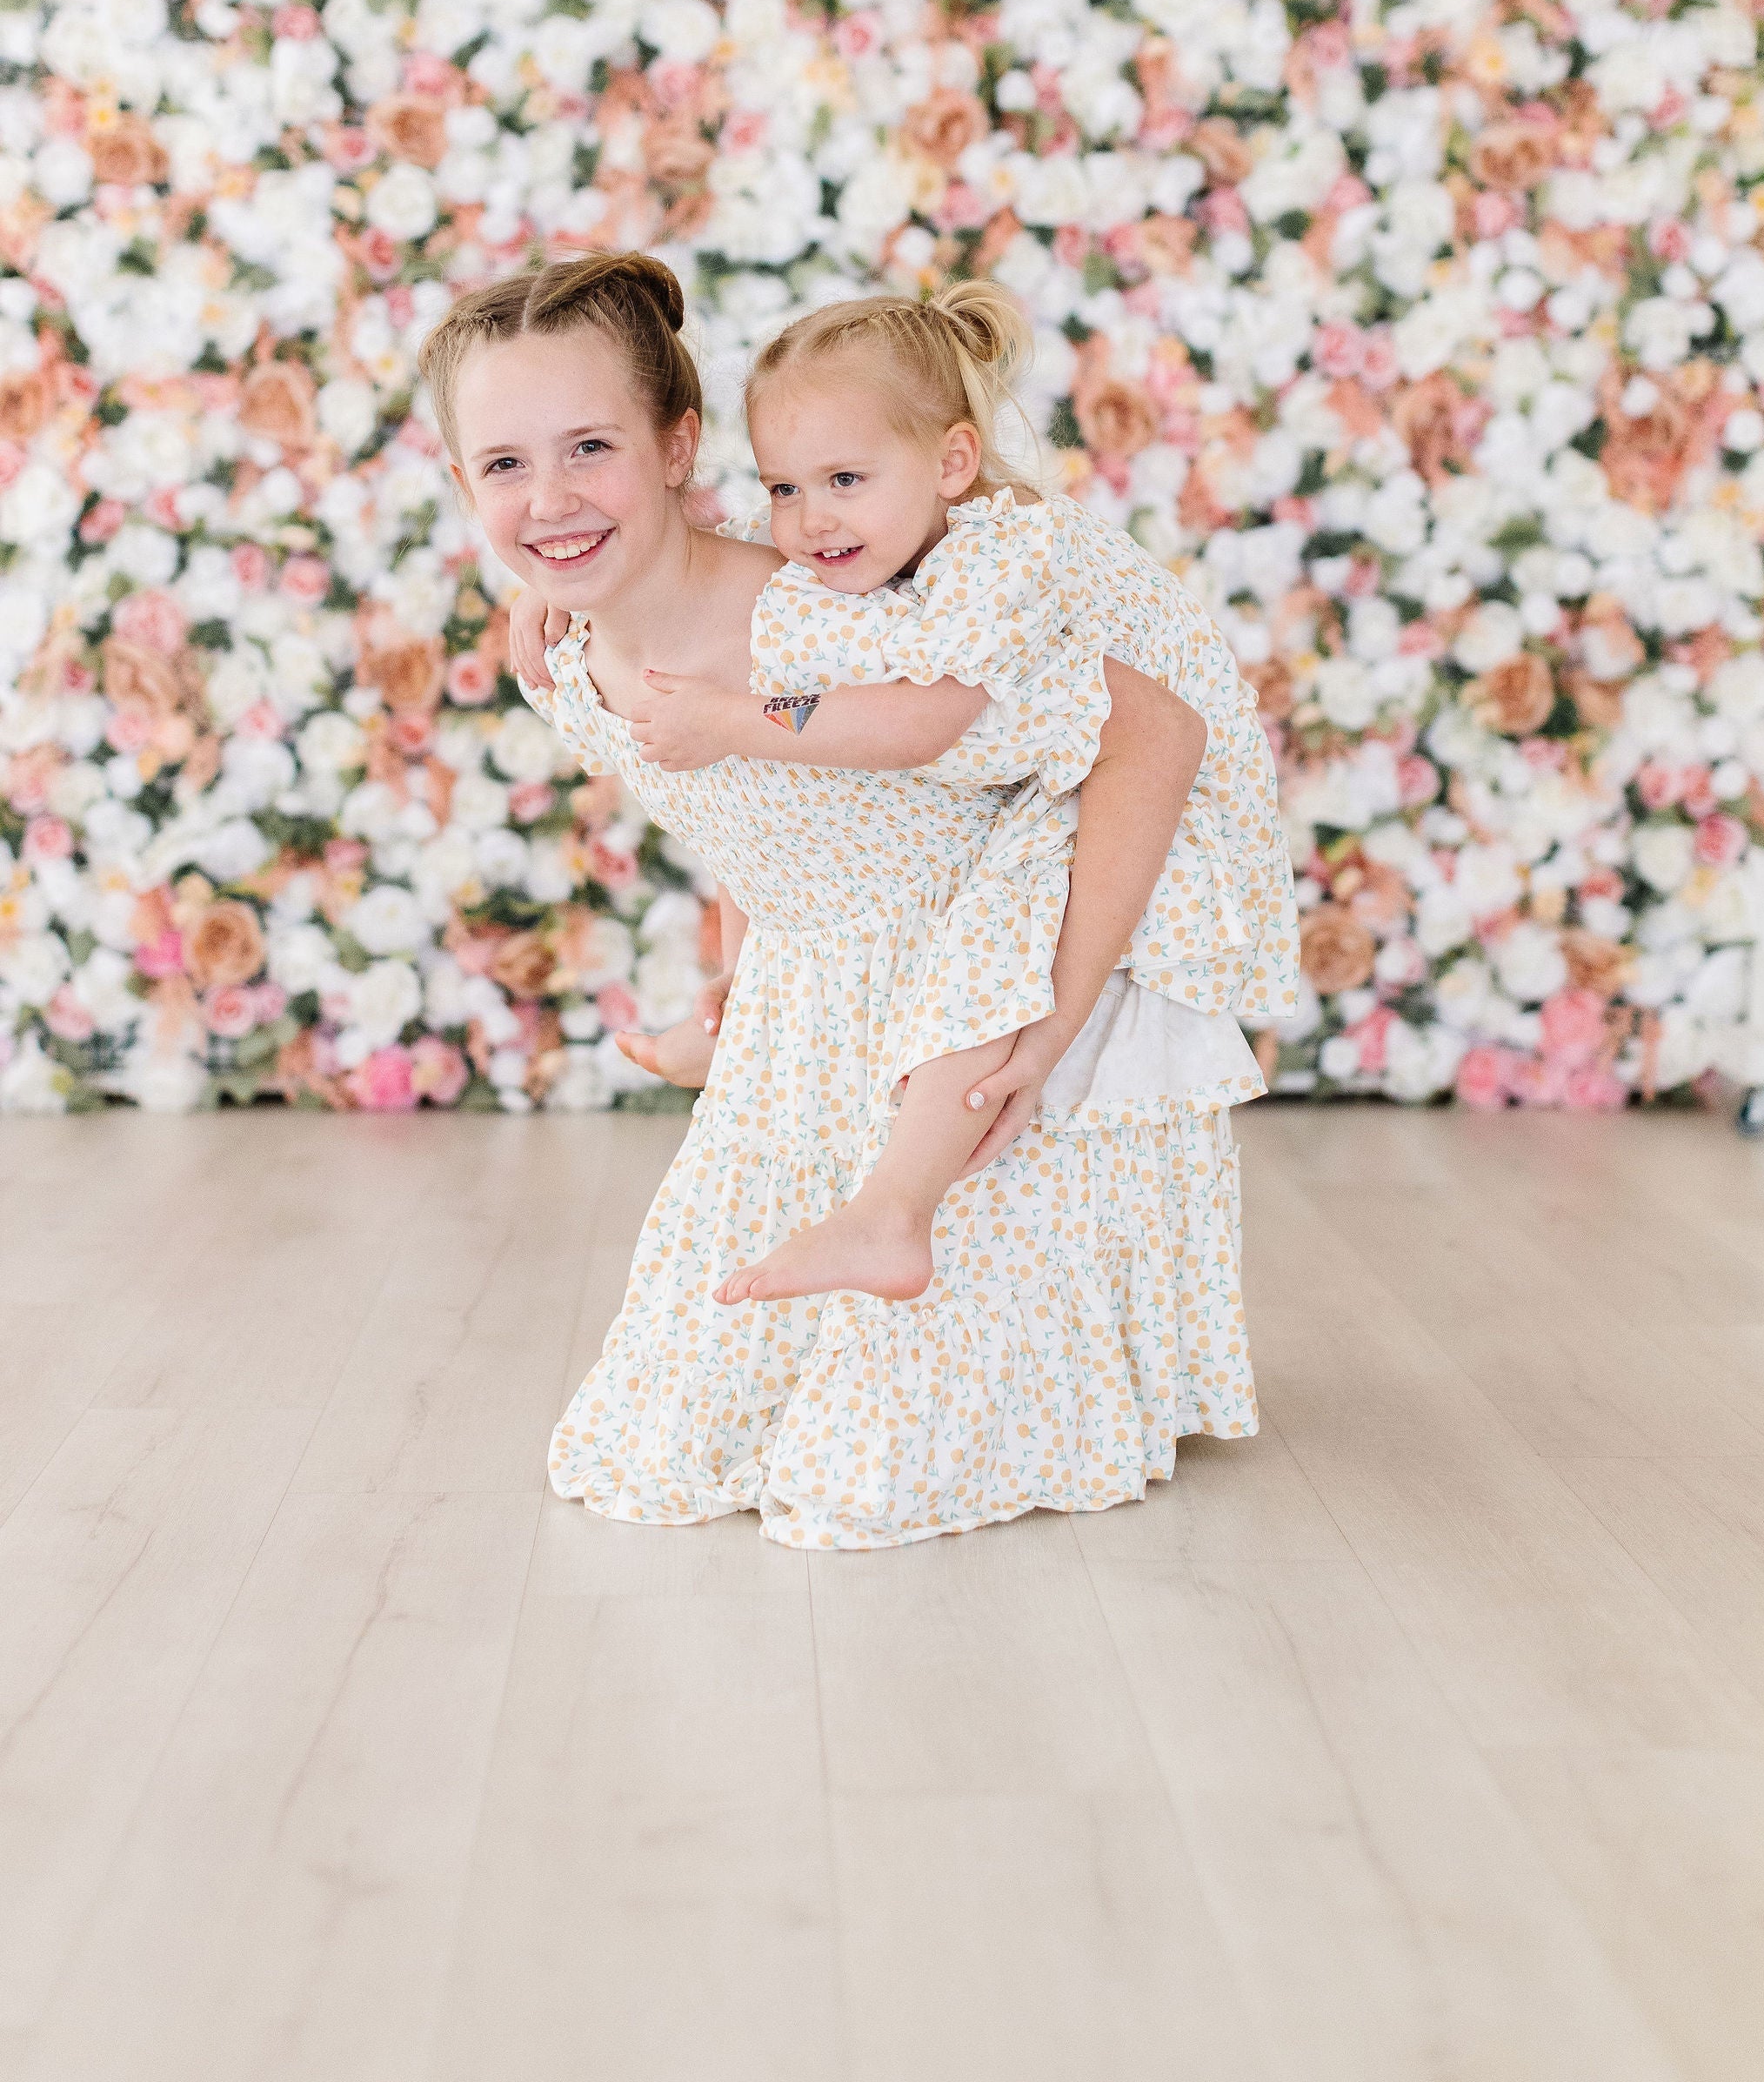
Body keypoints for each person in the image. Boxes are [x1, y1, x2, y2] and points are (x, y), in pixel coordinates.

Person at [424, 249, 1258, 1548]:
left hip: (977, 997)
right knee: (667, 1431)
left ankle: (923, 1229)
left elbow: (1149, 732)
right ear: (464, 483)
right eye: (505, 466)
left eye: (591, 447)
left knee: (873, 1457)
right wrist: (745, 967)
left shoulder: (835, 619)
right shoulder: (569, 650)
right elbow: (750, 821)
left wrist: (1050, 1023)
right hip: (815, 1027)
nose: (550, 499)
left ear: (678, 448)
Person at [511, 281, 1299, 1309]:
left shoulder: (984, 570)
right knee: (809, 808)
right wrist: (553, 580)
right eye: (784, 487)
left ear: (952, 466)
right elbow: (714, 598)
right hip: (1049, 757)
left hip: (1150, 788)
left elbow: (928, 722)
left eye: (841, 478)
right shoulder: (869, 536)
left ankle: (894, 1213)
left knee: (990, 924)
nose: (807, 519)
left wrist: (730, 718)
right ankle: (741, 1013)